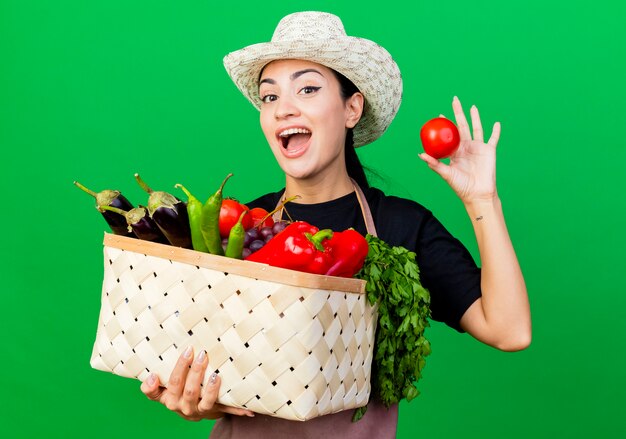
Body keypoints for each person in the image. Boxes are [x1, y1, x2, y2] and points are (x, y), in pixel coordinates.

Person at [140, 11, 531, 438]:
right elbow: (216, 363)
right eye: (269, 97)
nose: (283, 108)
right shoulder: (240, 225)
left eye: (307, 89)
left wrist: (482, 199)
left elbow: (509, 330)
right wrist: (195, 399)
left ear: (351, 108)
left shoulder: (400, 226)